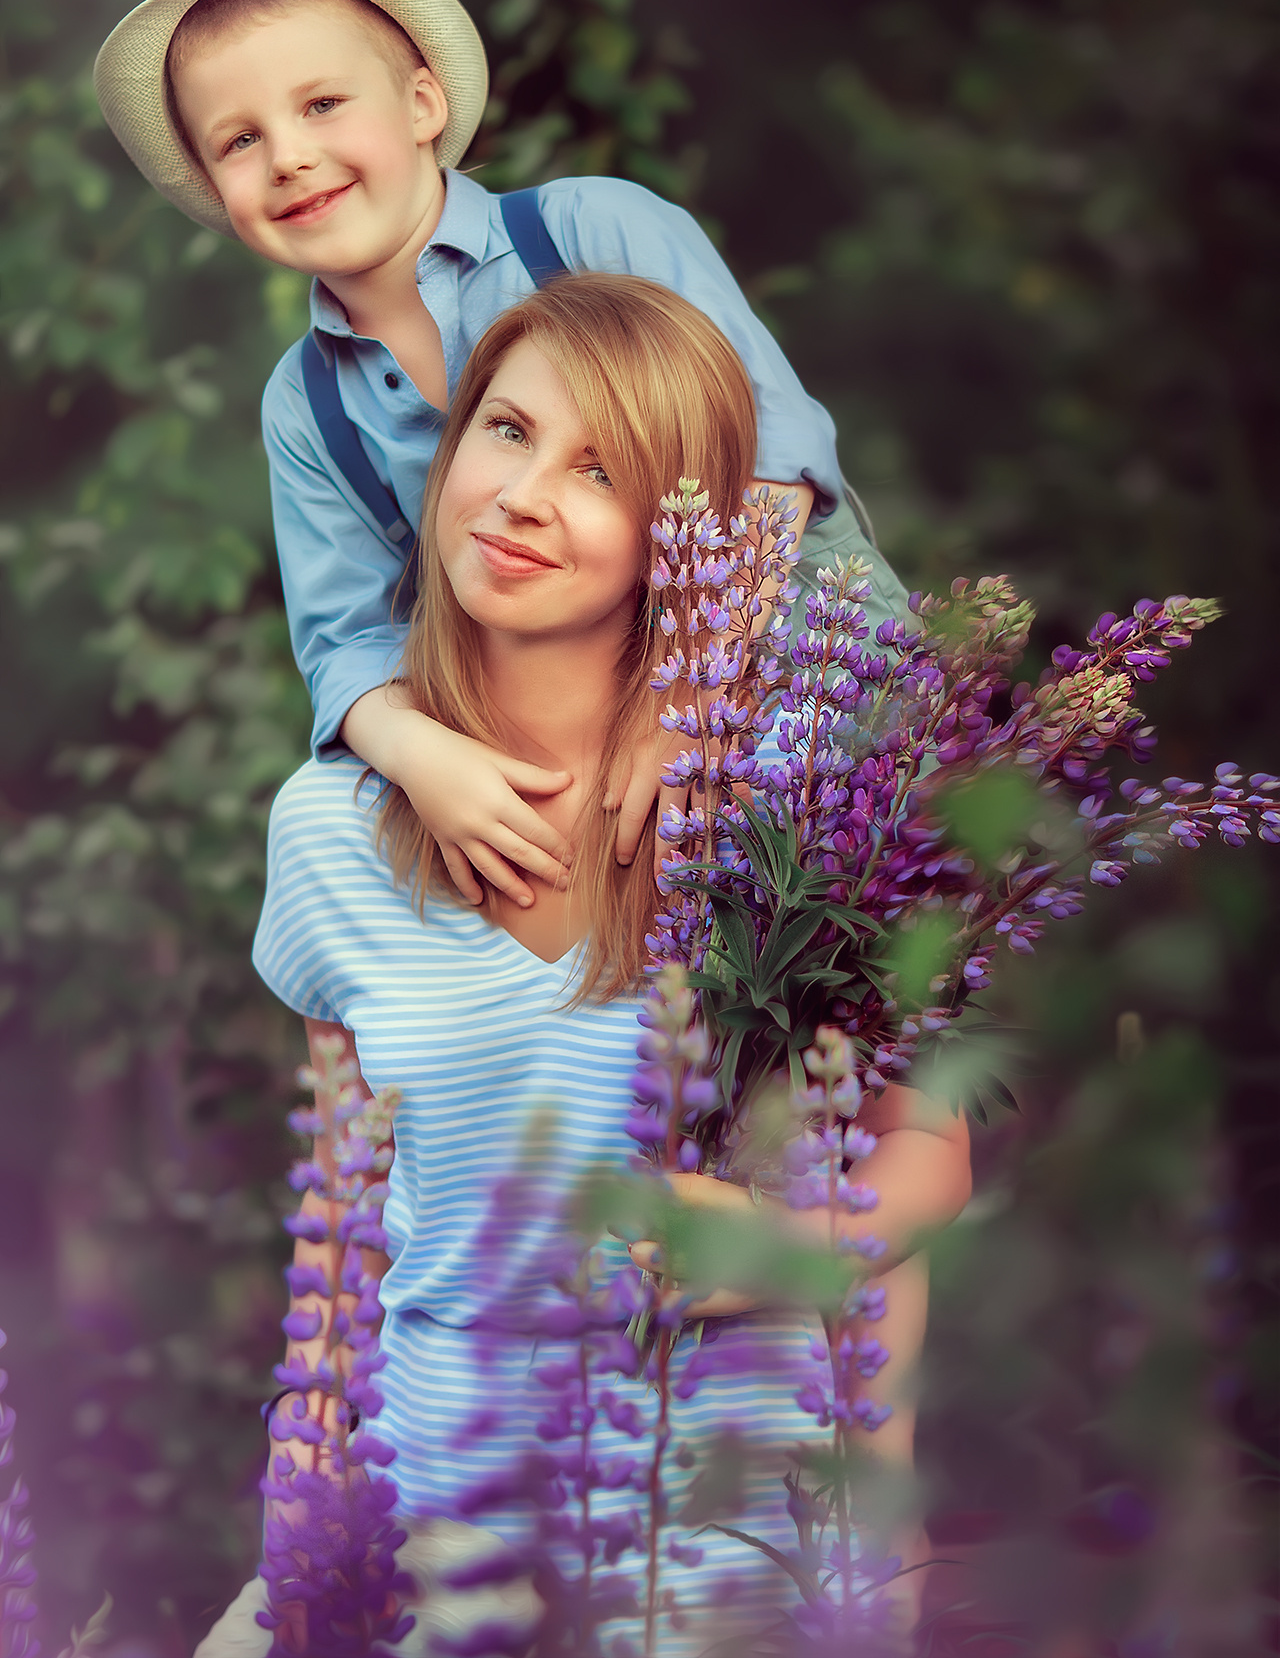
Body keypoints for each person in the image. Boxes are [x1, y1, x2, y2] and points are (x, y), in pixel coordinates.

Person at [194, 275, 970, 1656]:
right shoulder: (329, 827)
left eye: (601, 470)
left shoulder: (798, 805)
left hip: (732, 1546)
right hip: (437, 1531)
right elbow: (348, 1217)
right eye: (503, 431)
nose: (524, 494)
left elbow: (926, 1167)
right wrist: (308, 1504)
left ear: (687, 537)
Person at [93, 0, 909, 919]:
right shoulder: (307, 404)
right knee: (654, 1044)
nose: (288, 157)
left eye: (322, 105)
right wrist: (421, 754)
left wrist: (692, 694)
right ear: (214, 189)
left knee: (857, 1014)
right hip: (582, 772)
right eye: (238, 140)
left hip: (795, 685)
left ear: (424, 104)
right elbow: (346, 639)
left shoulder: (592, 231)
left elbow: (773, 456)